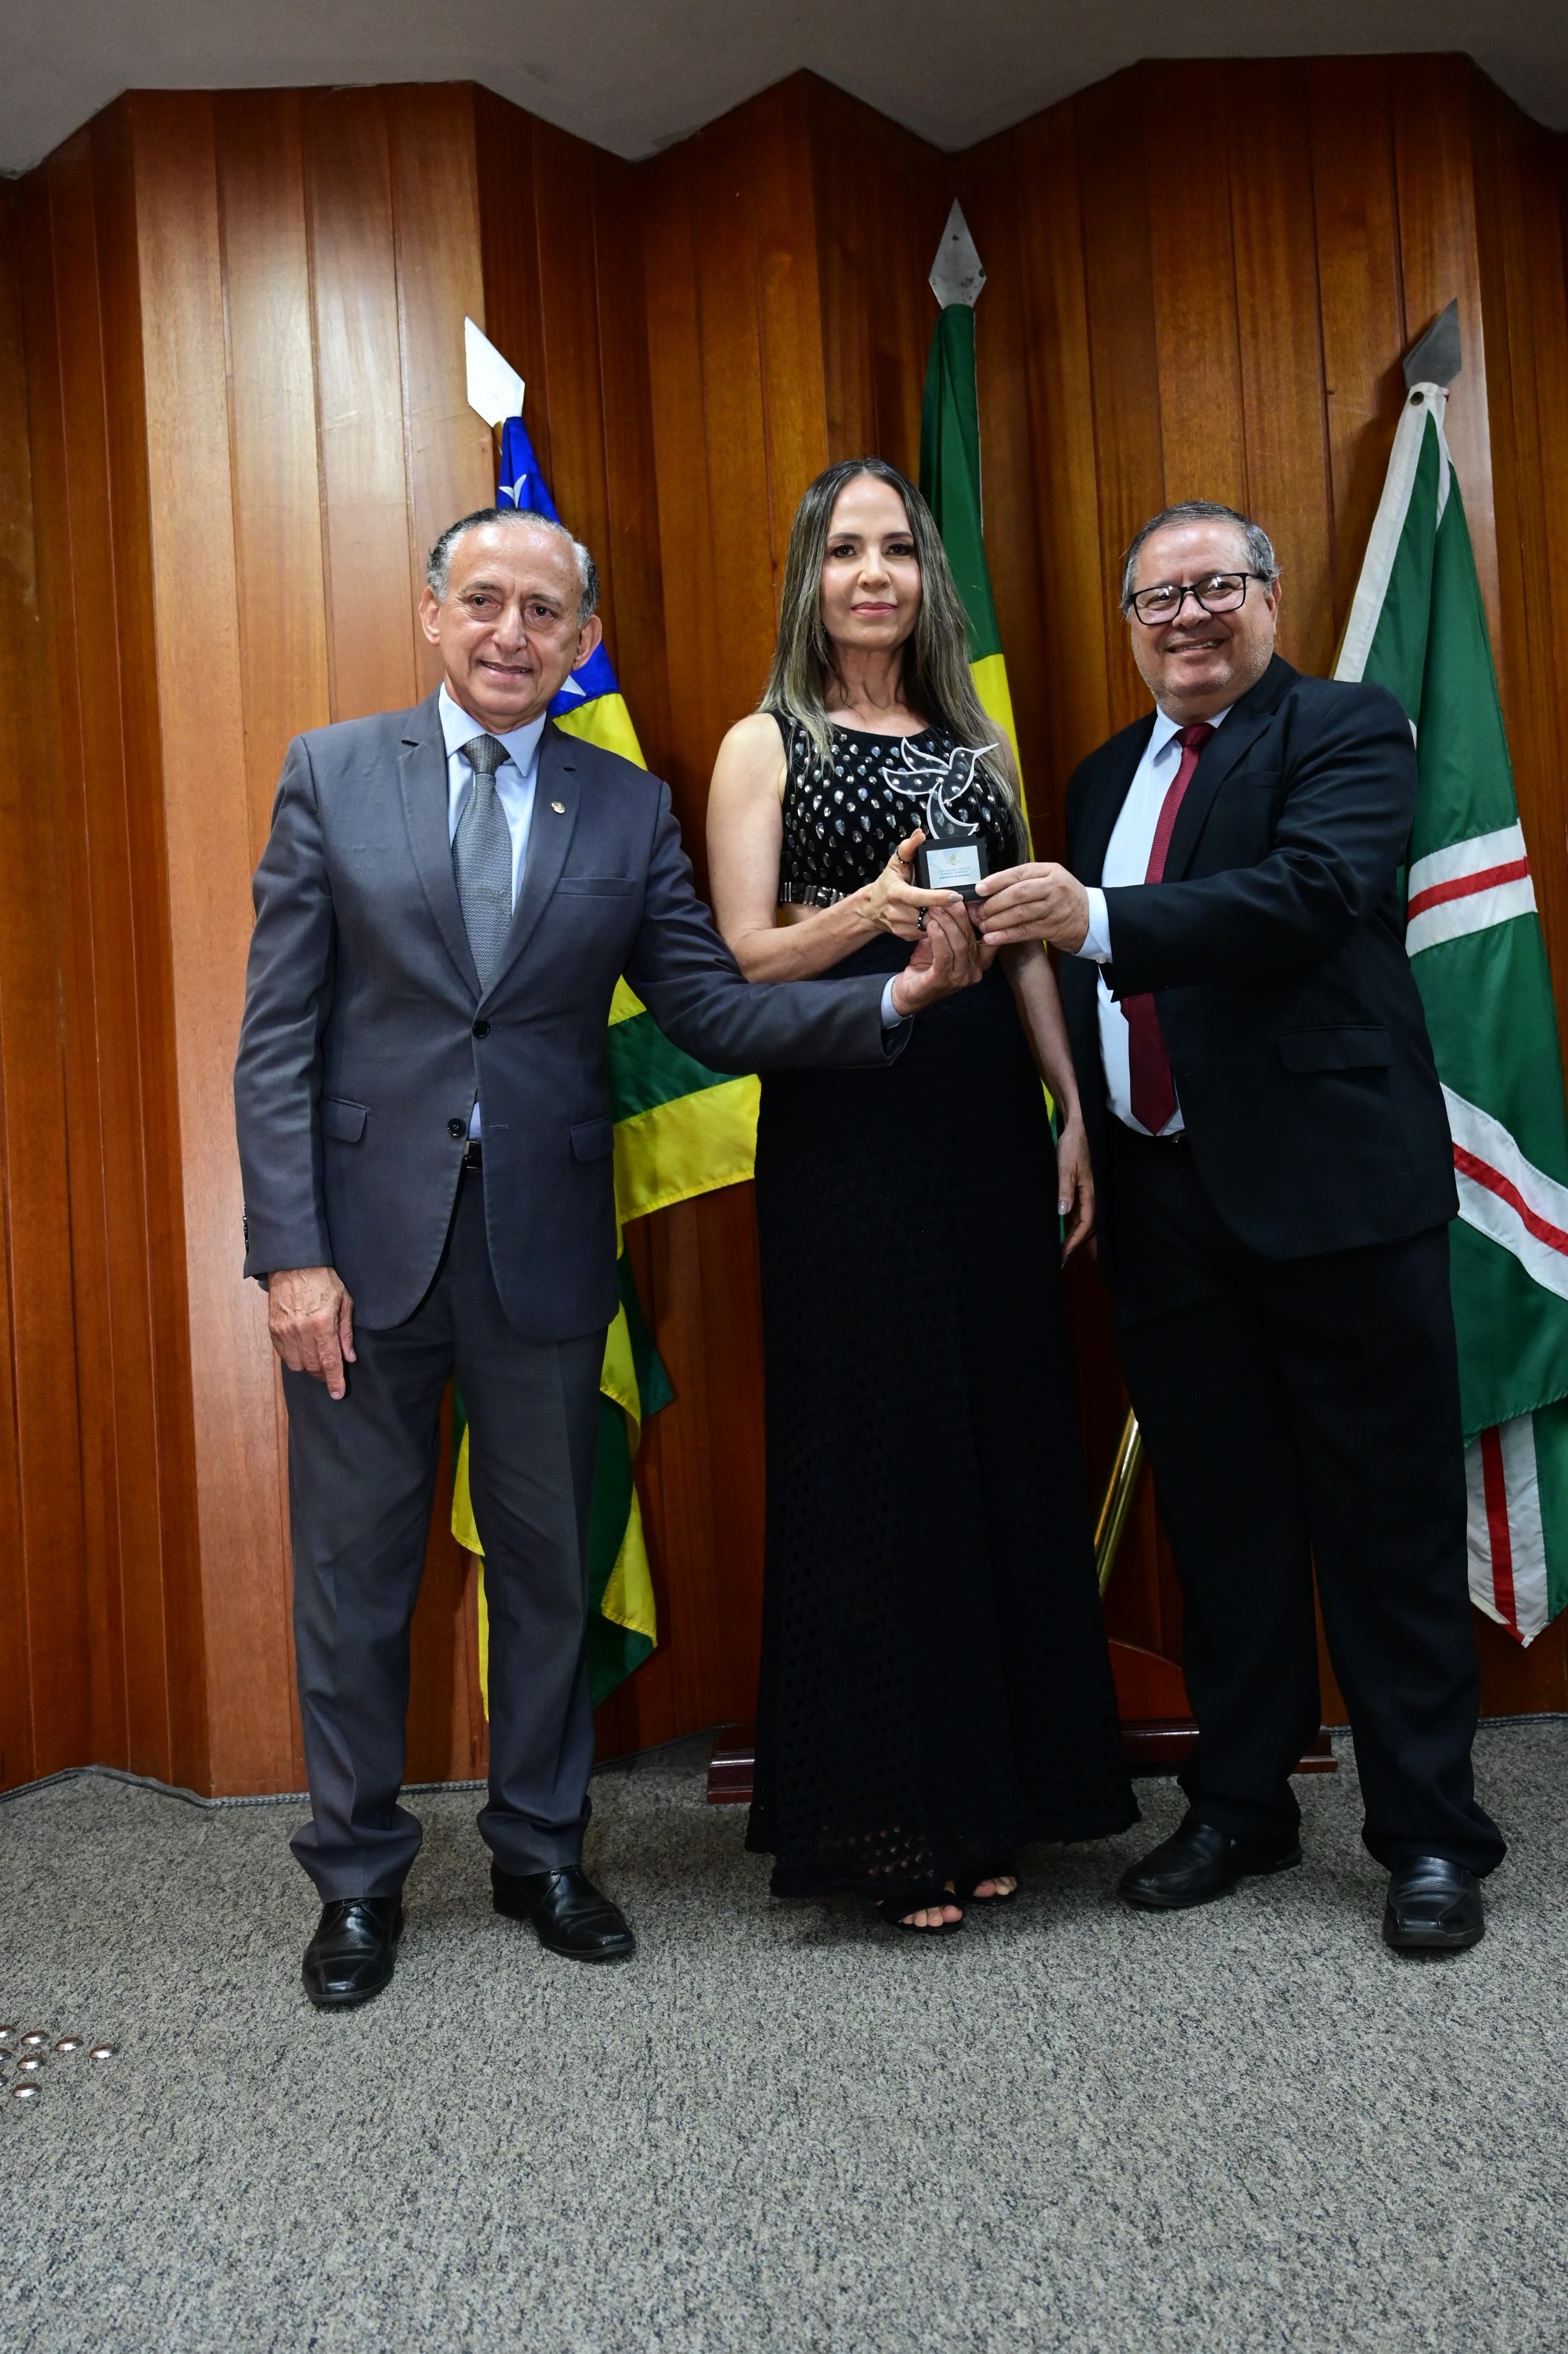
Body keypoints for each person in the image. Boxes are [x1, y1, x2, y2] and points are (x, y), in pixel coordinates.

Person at [234, 503, 984, 2008]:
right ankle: (358, 1878)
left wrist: (887, 1005)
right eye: (484, 602)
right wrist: (289, 1255)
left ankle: (540, 1852)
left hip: (545, 1251)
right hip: (360, 1262)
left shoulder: (628, 805)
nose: (511, 634)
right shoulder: (331, 773)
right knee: (353, 1583)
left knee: (549, 1575)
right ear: (433, 614)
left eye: (545, 612)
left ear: (583, 639)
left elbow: (708, 1008)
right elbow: (278, 1039)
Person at [975, 497, 1505, 1952]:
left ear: (1269, 597)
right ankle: (1241, 1803)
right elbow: (1080, 977)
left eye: (1216, 586)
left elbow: (1313, 894)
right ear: (1129, 626)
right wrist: (1075, 1109)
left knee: (1387, 1533)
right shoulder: (1100, 777)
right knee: (1223, 1526)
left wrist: (1097, 918)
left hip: (1335, 1201)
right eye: (1158, 598)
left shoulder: (1347, 730)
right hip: (1165, 1204)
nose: (1188, 618)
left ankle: (1430, 1835)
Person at [706, 456, 1136, 1935]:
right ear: (809, 577)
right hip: (847, 1123)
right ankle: (888, 1820)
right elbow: (744, 956)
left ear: (926, 575)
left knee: (996, 1441)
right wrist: (867, 914)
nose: (874, 573)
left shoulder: (975, 741)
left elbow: (1019, 946)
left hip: (981, 1128)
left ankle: (992, 1798)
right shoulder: (766, 741)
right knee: (881, 1453)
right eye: (845, 550)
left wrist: (1068, 1108)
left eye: (896, 548)